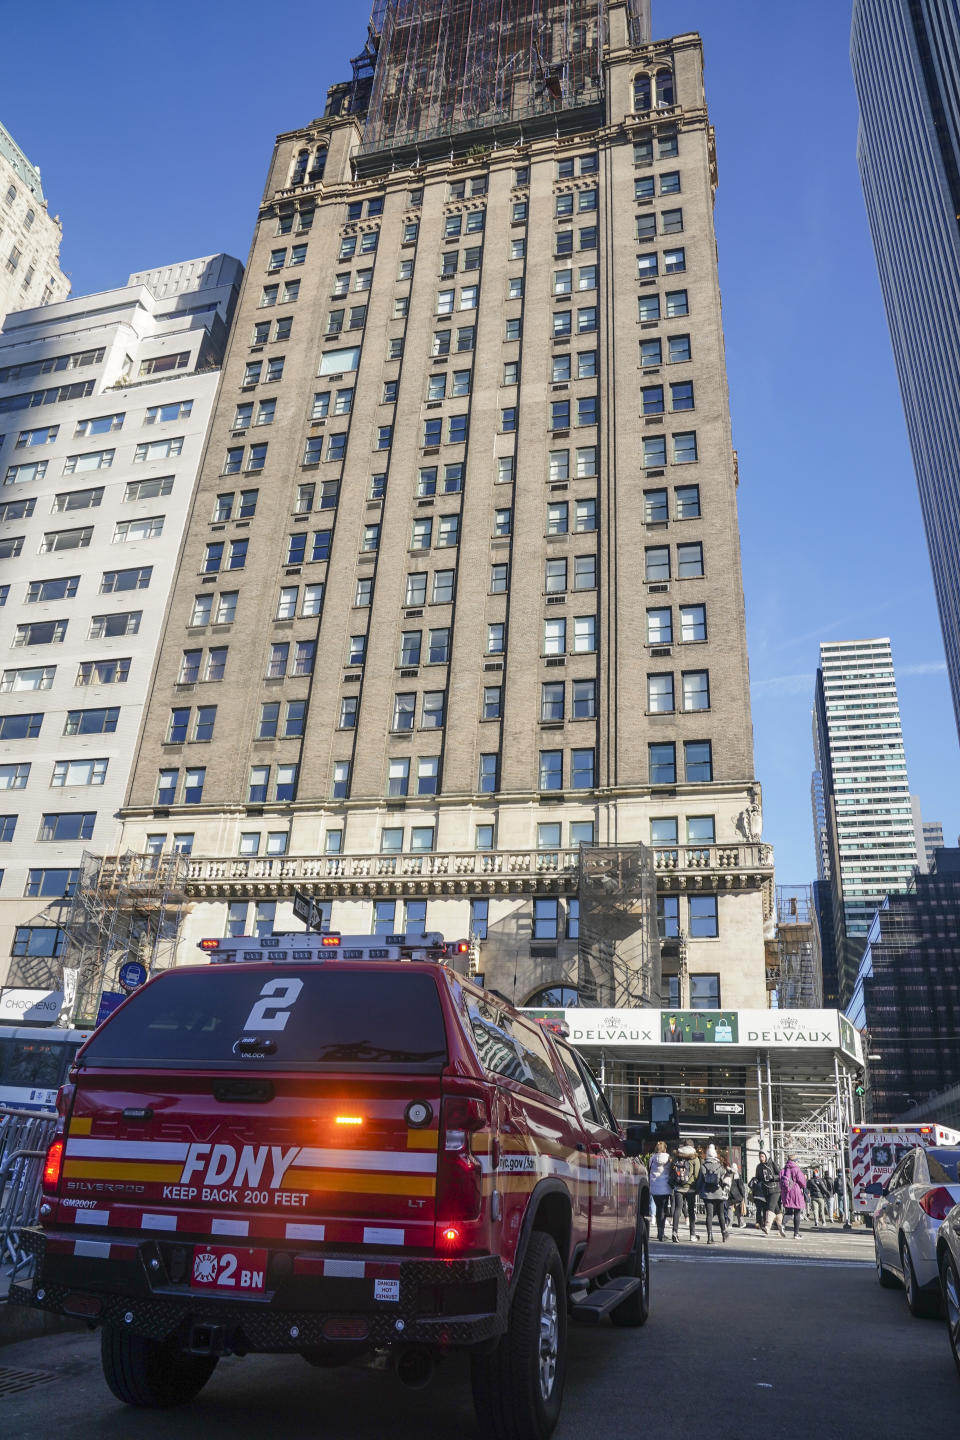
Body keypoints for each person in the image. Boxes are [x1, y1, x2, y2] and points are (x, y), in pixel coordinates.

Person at [669, 1141, 701, 1243]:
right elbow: (697, 1174)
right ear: (692, 1146)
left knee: (678, 1209)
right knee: (691, 1210)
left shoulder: (677, 1156)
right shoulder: (695, 1158)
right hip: (690, 1188)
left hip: (678, 1187)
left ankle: (674, 1232)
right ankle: (692, 1234)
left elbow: (672, 1170)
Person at [697, 1143, 728, 1243]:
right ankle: (724, 1233)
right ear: (714, 1154)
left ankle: (710, 1236)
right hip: (718, 1192)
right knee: (721, 1214)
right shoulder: (719, 1166)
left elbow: (700, 1180)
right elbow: (724, 1178)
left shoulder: (703, 1166)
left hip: (707, 1193)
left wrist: (698, 1191)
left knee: (709, 1215)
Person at [648, 1139, 673, 1241]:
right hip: (665, 1186)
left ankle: (659, 1232)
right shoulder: (668, 1158)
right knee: (663, 1209)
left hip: (655, 1186)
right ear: (665, 1148)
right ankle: (661, 1233)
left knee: (658, 1209)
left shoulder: (652, 1158)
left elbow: (649, 1169)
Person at [756, 1152, 785, 1236]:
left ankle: (767, 1226)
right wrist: (754, 1180)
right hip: (766, 1190)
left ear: (765, 1156)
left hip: (775, 1189)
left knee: (770, 1207)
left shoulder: (772, 1163)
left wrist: (773, 1177)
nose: (761, 1158)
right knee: (776, 1209)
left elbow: (780, 1174)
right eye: (760, 1156)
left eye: (762, 1156)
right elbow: (758, 1178)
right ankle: (781, 1226)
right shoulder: (759, 1167)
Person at [780, 1153, 807, 1239]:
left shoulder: (784, 1169)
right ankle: (796, 1233)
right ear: (795, 1161)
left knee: (788, 1211)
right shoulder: (796, 1169)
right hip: (796, 1191)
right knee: (797, 1212)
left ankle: (782, 1224)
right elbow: (802, 1181)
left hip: (787, 1192)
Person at [727, 1162, 747, 1227]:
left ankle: (729, 1224)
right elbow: (741, 1186)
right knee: (738, 1209)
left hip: (730, 1194)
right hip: (737, 1195)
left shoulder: (729, 1174)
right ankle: (741, 1223)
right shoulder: (737, 1175)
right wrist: (743, 1195)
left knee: (730, 1209)